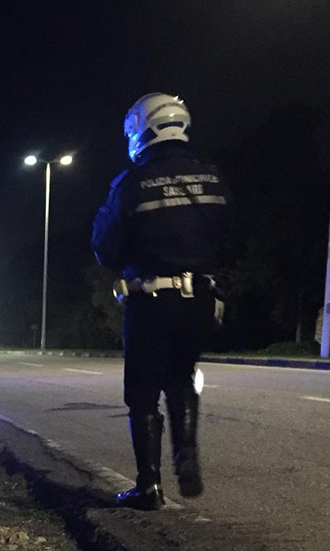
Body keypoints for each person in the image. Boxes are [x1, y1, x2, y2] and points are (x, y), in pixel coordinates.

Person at [92, 93, 235, 510]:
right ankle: (186, 454)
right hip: (199, 299)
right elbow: (231, 236)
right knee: (182, 377)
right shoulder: (212, 178)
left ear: (140, 129)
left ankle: (148, 485)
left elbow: (104, 246)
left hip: (150, 298)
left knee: (142, 392)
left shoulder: (132, 183)